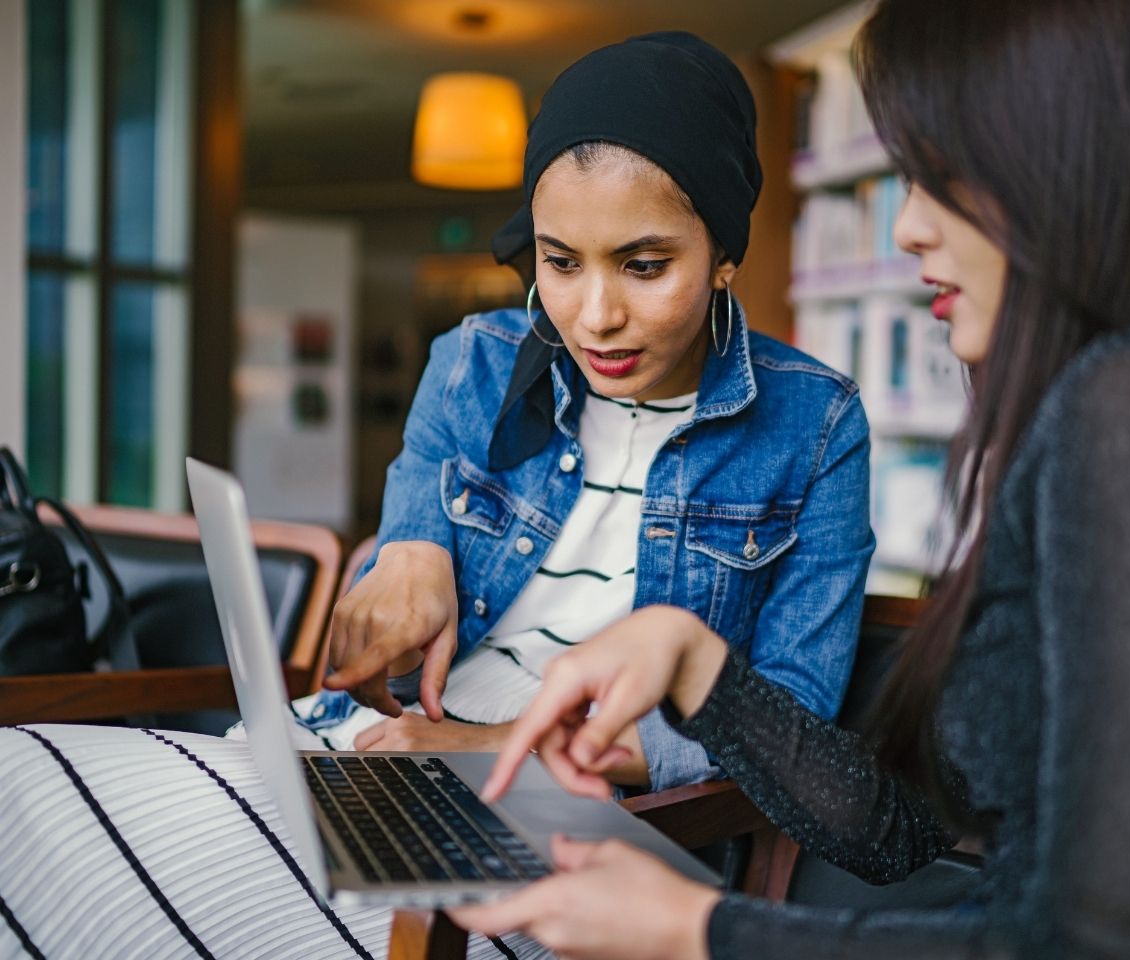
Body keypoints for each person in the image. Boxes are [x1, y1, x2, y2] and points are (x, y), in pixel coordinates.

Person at [0, 32, 875, 960]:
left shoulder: (816, 426)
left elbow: (788, 722)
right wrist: (406, 549)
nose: (594, 314)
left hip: (579, 817)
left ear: (725, 256)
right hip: (373, 749)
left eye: (644, 265)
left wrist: (501, 745)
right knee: (18, 777)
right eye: (560, 261)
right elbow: (398, 566)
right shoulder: (474, 361)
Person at [450, 1, 1130, 957]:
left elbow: (1120, 945)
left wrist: (696, 931)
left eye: (940, 177)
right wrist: (697, 664)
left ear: (1080, 149)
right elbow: (901, 839)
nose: (913, 227)